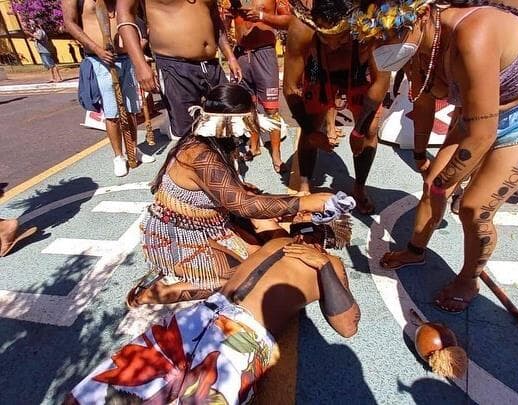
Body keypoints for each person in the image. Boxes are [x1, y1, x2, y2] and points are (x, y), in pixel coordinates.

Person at [357, 0, 518, 312]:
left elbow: (483, 135)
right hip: (479, 116)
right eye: (380, 37)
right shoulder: (421, 48)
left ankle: (469, 279)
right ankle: (416, 250)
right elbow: (425, 107)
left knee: (474, 208)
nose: (386, 43)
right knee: (432, 185)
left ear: (424, 14)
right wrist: (421, 158)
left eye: (393, 32)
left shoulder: (473, 33)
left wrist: (446, 181)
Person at [64, 227, 359, 404]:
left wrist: (159, 295)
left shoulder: (279, 250)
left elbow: (208, 287)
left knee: (106, 390)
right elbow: (347, 327)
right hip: (233, 337)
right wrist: (323, 268)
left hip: (199, 322)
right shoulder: (321, 260)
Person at [127, 83, 334, 307]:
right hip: (177, 234)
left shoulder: (216, 141)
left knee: (261, 255)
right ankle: (153, 293)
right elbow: (243, 205)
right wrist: (305, 202)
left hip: (209, 225)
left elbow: (234, 195)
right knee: (242, 280)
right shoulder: (200, 155)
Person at [283, 0, 390, 214]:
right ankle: (305, 186)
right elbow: (290, 87)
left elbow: (380, 83)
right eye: (325, 38)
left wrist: (357, 131)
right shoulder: (301, 29)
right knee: (310, 126)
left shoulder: (371, 28)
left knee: (369, 130)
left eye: (340, 39)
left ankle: (359, 187)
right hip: (318, 70)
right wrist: (313, 132)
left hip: (358, 70)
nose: (332, 45)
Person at [116, 0, 242, 140]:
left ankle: (225, 161)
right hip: (175, 66)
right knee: (189, 135)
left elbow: (214, 17)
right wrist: (139, 64)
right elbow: (125, 15)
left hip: (212, 65)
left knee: (227, 123)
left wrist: (230, 56)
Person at [62, 0, 155, 177]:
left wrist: (139, 47)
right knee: (112, 113)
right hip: (100, 61)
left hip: (127, 59)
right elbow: (69, 23)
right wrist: (97, 49)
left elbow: (136, 19)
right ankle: (118, 156)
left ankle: (132, 150)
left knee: (130, 110)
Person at [223, 0, 292, 173]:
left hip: (264, 53)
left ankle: (276, 155)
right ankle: (254, 147)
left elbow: (289, 21)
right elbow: (222, 26)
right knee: (247, 105)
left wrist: (262, 16)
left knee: (271, 109)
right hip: (240, 55)